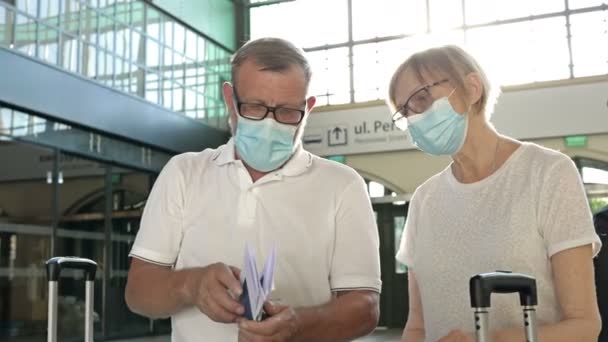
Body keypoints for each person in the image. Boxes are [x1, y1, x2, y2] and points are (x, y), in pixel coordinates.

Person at [124, 37, 381, 342]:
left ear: (308, 108)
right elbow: (138, 292)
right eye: (255, 107)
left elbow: (365, 307)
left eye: (287, 112)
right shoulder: (184, 173)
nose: (270, 124)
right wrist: (191, 285)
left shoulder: (343, 185)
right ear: (229, 98)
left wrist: (299, 325)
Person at [386, 45, 602, 342]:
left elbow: (584, 326)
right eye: (404, 112)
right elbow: (417, 327)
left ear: (472, 88)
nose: (414, 118)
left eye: (421, 99)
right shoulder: (425, 200)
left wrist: (489, 339)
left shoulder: (547, 174)